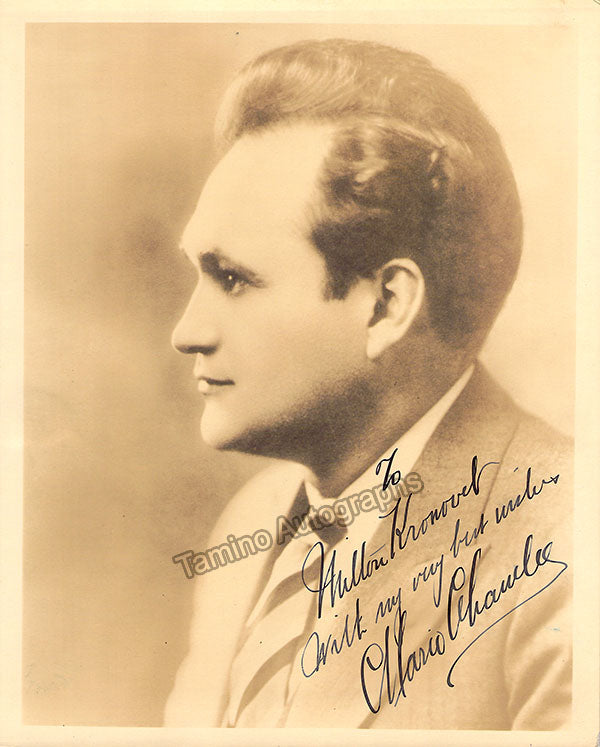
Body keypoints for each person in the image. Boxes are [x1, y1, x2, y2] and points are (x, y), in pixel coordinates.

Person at [164, 39, 572, 730]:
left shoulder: (568, 544)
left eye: (232, 279)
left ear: (386, 305)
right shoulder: (254, 520)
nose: (186, 331)